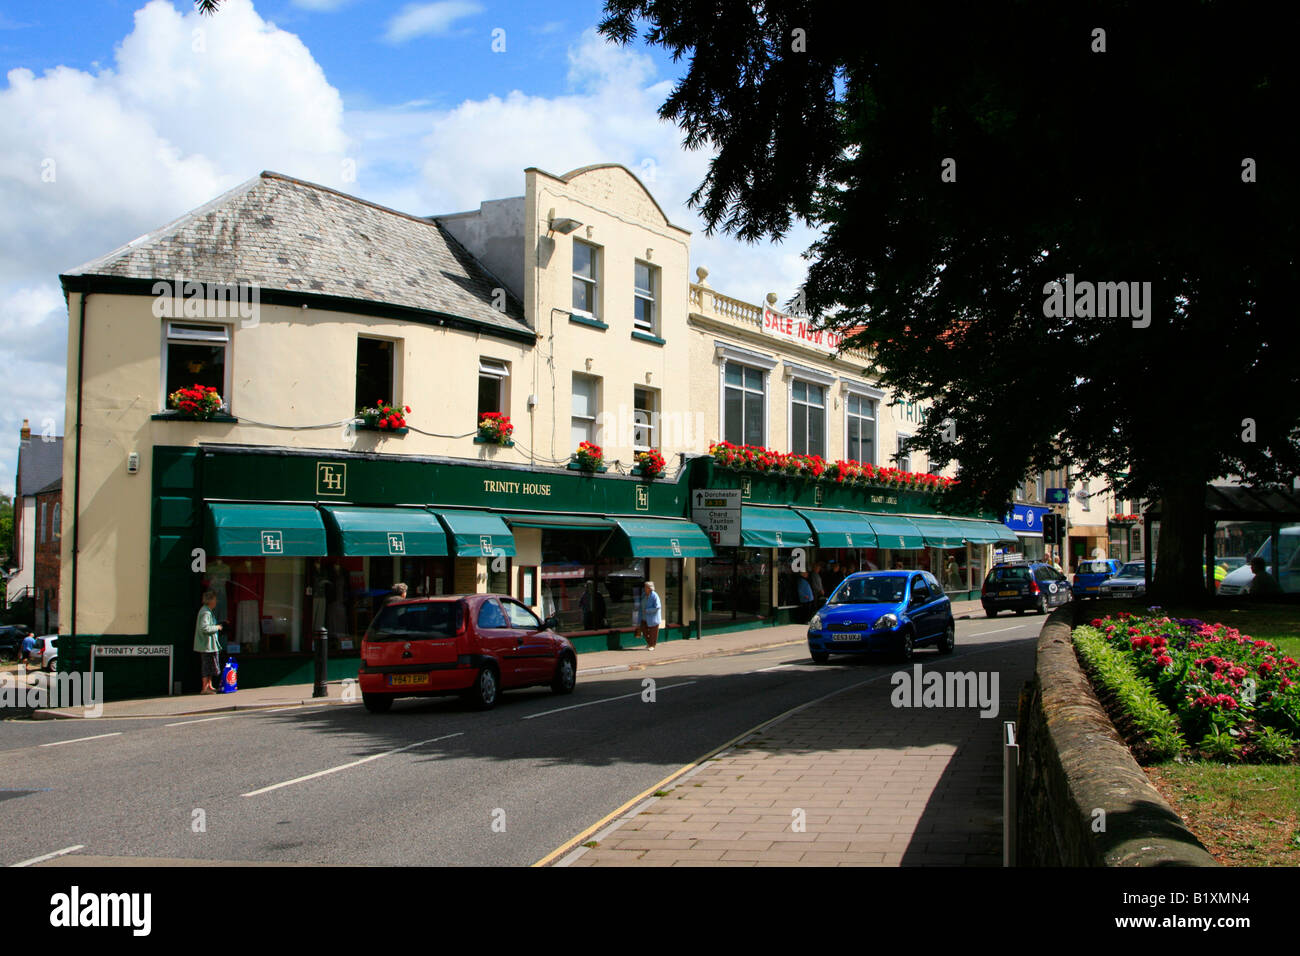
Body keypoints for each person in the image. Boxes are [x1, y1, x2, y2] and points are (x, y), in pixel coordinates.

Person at [194, 589, 223, 695]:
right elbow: (204, 628)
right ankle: (205, 687)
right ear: (210, 600)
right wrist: (217, 627)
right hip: (206, 644)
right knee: (207, 665)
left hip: (209, 644)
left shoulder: (208, 611)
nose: (216, 601)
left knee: (210, 665)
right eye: (215, 599)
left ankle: (210, 686)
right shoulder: (205, 612)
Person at [640, 581, 662, 650]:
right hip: (644, 617)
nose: (645, 588)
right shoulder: (644, 595)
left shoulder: (654, 595)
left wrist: (647, 610)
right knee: (644, 631)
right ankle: (650, 643)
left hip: (653, 618)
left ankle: (652, 645)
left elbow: (657, 607)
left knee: (653, 633)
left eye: (646, 587)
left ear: (650, 588)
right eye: (645, 587)